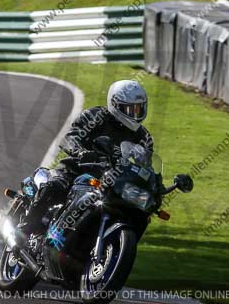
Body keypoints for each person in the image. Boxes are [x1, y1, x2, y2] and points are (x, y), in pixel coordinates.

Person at [20, 80, 153, 235]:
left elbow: (147, 165)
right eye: (130, 109)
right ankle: (25, 229)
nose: (134, 114)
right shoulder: (97, 116)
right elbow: (70, 137)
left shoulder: (143, 137)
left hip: (114, 182)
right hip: (78, 169)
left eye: (138, 109)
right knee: (54, 186)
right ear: (115, 104)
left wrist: (154, 183)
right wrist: (80, 152)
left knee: (138, 212)